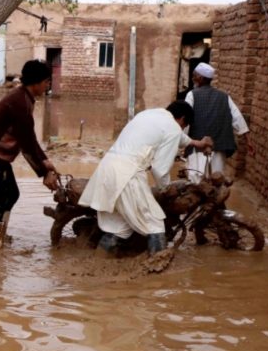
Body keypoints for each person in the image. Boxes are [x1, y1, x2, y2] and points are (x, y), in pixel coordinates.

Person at [78, 102, 212, 255]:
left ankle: (97, 263)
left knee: (119, 228)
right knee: (155, 224)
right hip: (128, 175)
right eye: (184, 125)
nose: (181, 129)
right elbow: (160, 169)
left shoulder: (148, 115)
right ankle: (157, 270)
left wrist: (197, 143)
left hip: (106, 169)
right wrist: (166, 189)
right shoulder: (173, 128)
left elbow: (177, 136)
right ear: (182, 119)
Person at [0, 59, 59, 247]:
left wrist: (46, 161)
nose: (47, 86)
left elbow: (29, 139)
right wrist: (44, 173)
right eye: (46, 82)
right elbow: (27, 145)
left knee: (11, 194)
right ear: (36, 82)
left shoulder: (25, 98)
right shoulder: (20, 103)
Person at [184, 62, 253, 183]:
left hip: (198, 145)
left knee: (196, 181)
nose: (192, 78)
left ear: (200, 78)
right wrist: (248, 140)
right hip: (219, 146)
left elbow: (186, 120)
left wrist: (183, 140)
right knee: (217, 180)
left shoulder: (192, 95)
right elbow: (237, 118)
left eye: (194, 75)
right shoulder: (224, 96)